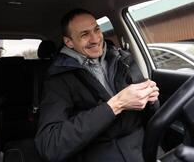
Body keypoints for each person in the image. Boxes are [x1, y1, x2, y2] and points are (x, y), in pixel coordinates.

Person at [35, 8, 160, 162]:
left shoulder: (122, 60)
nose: (95, 39)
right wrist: (115, 105)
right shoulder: (58, 79)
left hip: (145, 151)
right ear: (69, 42)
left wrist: (151, 99)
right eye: (84, 34)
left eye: (96, 29)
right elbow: (50, 145)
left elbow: (150, 115)